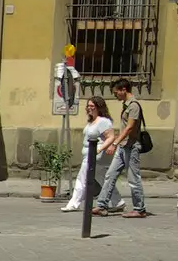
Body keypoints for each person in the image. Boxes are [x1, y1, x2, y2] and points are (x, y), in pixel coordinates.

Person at [96, 78, 148, 217]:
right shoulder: (126, 105)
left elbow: (130, 127)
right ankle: (101, 205)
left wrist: (114, 143)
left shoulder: (133, 106)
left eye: (116, 92)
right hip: (122, 146)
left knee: (133, 178)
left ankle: (139, 209)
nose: (115, 95)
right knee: (110, 175)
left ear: (124, 90)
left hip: (131, 147)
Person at [63, 96, 114, 212]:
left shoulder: (103, 121)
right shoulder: (92, 121)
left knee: (82, 179)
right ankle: (118, 202)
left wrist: (100, 149)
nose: (89, 108)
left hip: (94, 155)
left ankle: (73, 203)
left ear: (99, 107)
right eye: (88, 106)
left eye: (92, 106)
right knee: (102, 179)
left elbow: (111, 137)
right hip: (88, 154)